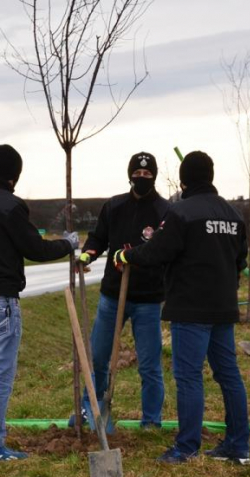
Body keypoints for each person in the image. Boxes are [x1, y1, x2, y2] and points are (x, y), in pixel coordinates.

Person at [112, 151, 250, 465]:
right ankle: (238, 446)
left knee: (188, 377)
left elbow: (157, 251)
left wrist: (126, 256)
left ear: (183, 180)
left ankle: (186, 447)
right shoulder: (233, 214)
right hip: (223, 306)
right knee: (229, 376)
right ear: (211, 177)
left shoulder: (181, 212)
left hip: (190, 307)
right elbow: (240, 260)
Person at [0, 144, 79, 462]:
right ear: (15, 175)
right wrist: (68, 244)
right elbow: (34, 248)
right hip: (0, 302)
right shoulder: (10, 206)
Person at [75, 152, 169, 432]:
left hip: (148, 299)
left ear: (154, 176)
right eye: (137, 175)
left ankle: (151, 421)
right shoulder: (114, 206)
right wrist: (88, 254)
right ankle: (92, 410)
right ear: (130, 176)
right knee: (99, 358)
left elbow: (162, 247)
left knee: (150, 364)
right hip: (112, 296)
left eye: (147, 175)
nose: (142, 179)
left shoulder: (164, 211)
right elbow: (99, 237)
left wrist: (134, 256)